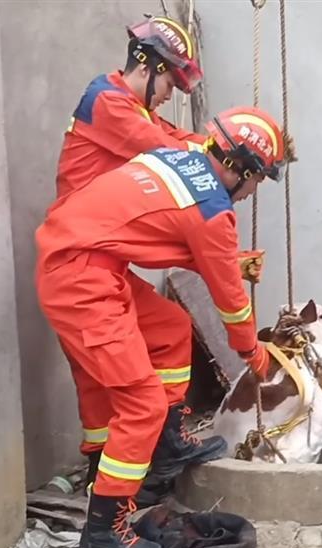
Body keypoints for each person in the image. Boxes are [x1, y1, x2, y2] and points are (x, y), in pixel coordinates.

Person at [35, 106, 290, 548]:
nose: (254, 190)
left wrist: (227, 261)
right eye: (257, 179)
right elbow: (231, 301)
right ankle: (104, 532)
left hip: (87, 262)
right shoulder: (212, 211)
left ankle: (168, 443)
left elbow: (164, 232)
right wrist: (252, 352)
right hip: (82, 280)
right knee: (142, 405)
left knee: (170, 326)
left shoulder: (179, 156)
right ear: (239, 166)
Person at [52, 16, 243, 508]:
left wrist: (226, 148)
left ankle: (152, 447)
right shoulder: (109, 103)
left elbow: (180, 139)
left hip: (98, 255)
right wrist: (231, 159)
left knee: (166, 330)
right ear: (148, 65)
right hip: (82, 255)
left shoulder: (130, 106)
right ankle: (113, 495)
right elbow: (173, 152)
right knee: (126, 391)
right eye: (170, 83)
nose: (169, 94)